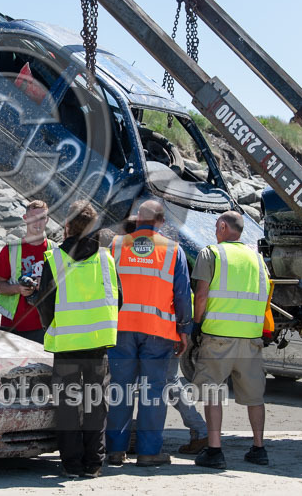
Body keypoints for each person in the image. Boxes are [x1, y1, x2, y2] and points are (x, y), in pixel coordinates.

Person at [35, 201, 122, 478]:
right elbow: (118, 300)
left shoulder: (54, 259)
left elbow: (44, 306)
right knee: (96, 403)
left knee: (68, 406)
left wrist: (54, 325)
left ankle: (72, 464)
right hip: (98, 345)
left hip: (67, 345)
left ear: (68, 226)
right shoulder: (106, 259)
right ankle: (94, 464)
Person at [105, 200, 192, 467]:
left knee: (120, 389)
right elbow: (181, 295)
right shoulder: (173, 250)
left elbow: (105, 285)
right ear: (161, 222)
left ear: (137, 218)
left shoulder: (116, 245)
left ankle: (115, 451)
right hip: (158, 331)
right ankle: (147, 452)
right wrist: (184, 330)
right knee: (153, 392)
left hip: (121, 328)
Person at [191, 210, 271, 470]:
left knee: (213, 393)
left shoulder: (211, 253)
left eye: (216, 226)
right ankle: (259, 448)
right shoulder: (258, 259)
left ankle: (215, 451)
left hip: (218, 338)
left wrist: (196, 322)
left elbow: (201, 295)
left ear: (223, 227)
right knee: (255, 397)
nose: (215, 231)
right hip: (250, 338)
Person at [0, 200, 55, 343]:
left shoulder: (55, 250)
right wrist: (18, 288)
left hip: (43, 325)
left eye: (42, 218)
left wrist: (44, 285)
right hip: (12, 324)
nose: (37, 223)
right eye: (33, 218)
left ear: (47, 220)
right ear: (25, 219)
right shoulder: (11, 249)